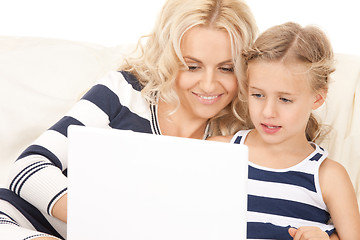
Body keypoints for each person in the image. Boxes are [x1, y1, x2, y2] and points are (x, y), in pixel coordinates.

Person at [0, 0, 257, 239]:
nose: (210, 84)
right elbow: (29, 167)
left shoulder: (241, 132)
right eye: (192, 66)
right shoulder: (124, 93)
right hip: (33, 223)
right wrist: (108, 223)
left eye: (226, 68)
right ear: (168, 59)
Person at [210, 22, 360, 239]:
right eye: (258, 95)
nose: (268, 112)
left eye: (285, 99)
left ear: (317, 98)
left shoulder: (329, 177)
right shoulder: (219, 152)